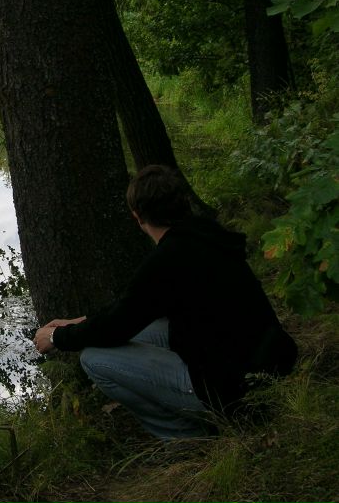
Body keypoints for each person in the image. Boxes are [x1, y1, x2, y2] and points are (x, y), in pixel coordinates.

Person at [33, 164, 297, 439]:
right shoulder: (207, 234)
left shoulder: (168, 260)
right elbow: (131, 307)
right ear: (182, 201)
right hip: (269, 360)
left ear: (137, 217)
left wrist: (56, 337)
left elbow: (117, 326)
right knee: (149, 327)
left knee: (94, 358)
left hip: (233, 389)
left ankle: (187, 437)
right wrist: (79, 322)